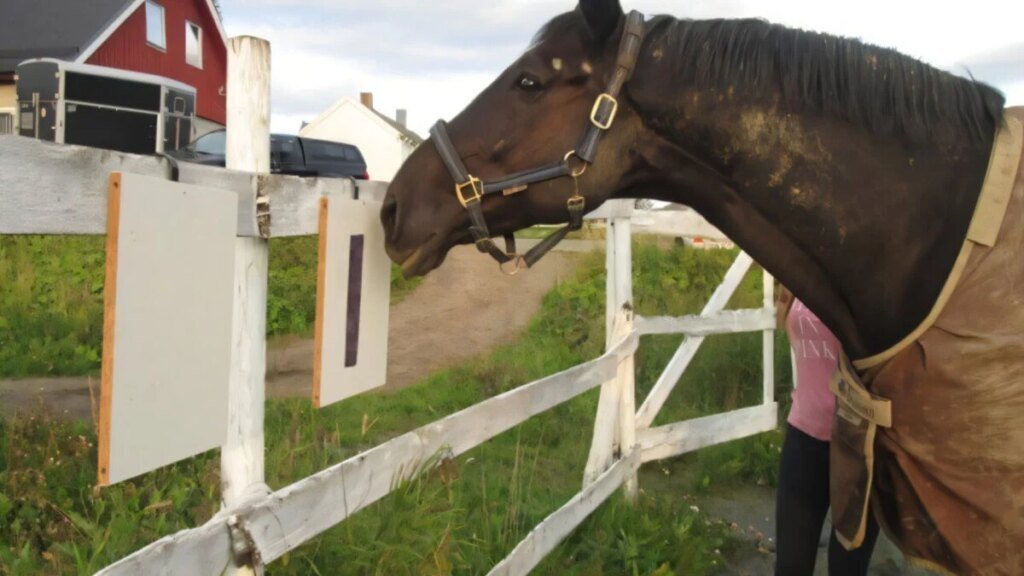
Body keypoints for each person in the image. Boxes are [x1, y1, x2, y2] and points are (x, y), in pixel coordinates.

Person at [774, 286, 879, 576]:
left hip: (859, 448)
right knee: (790, 567)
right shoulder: (798, 275)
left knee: (847, 569)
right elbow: (787, 322)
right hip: (803, 439)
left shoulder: (870, 276)